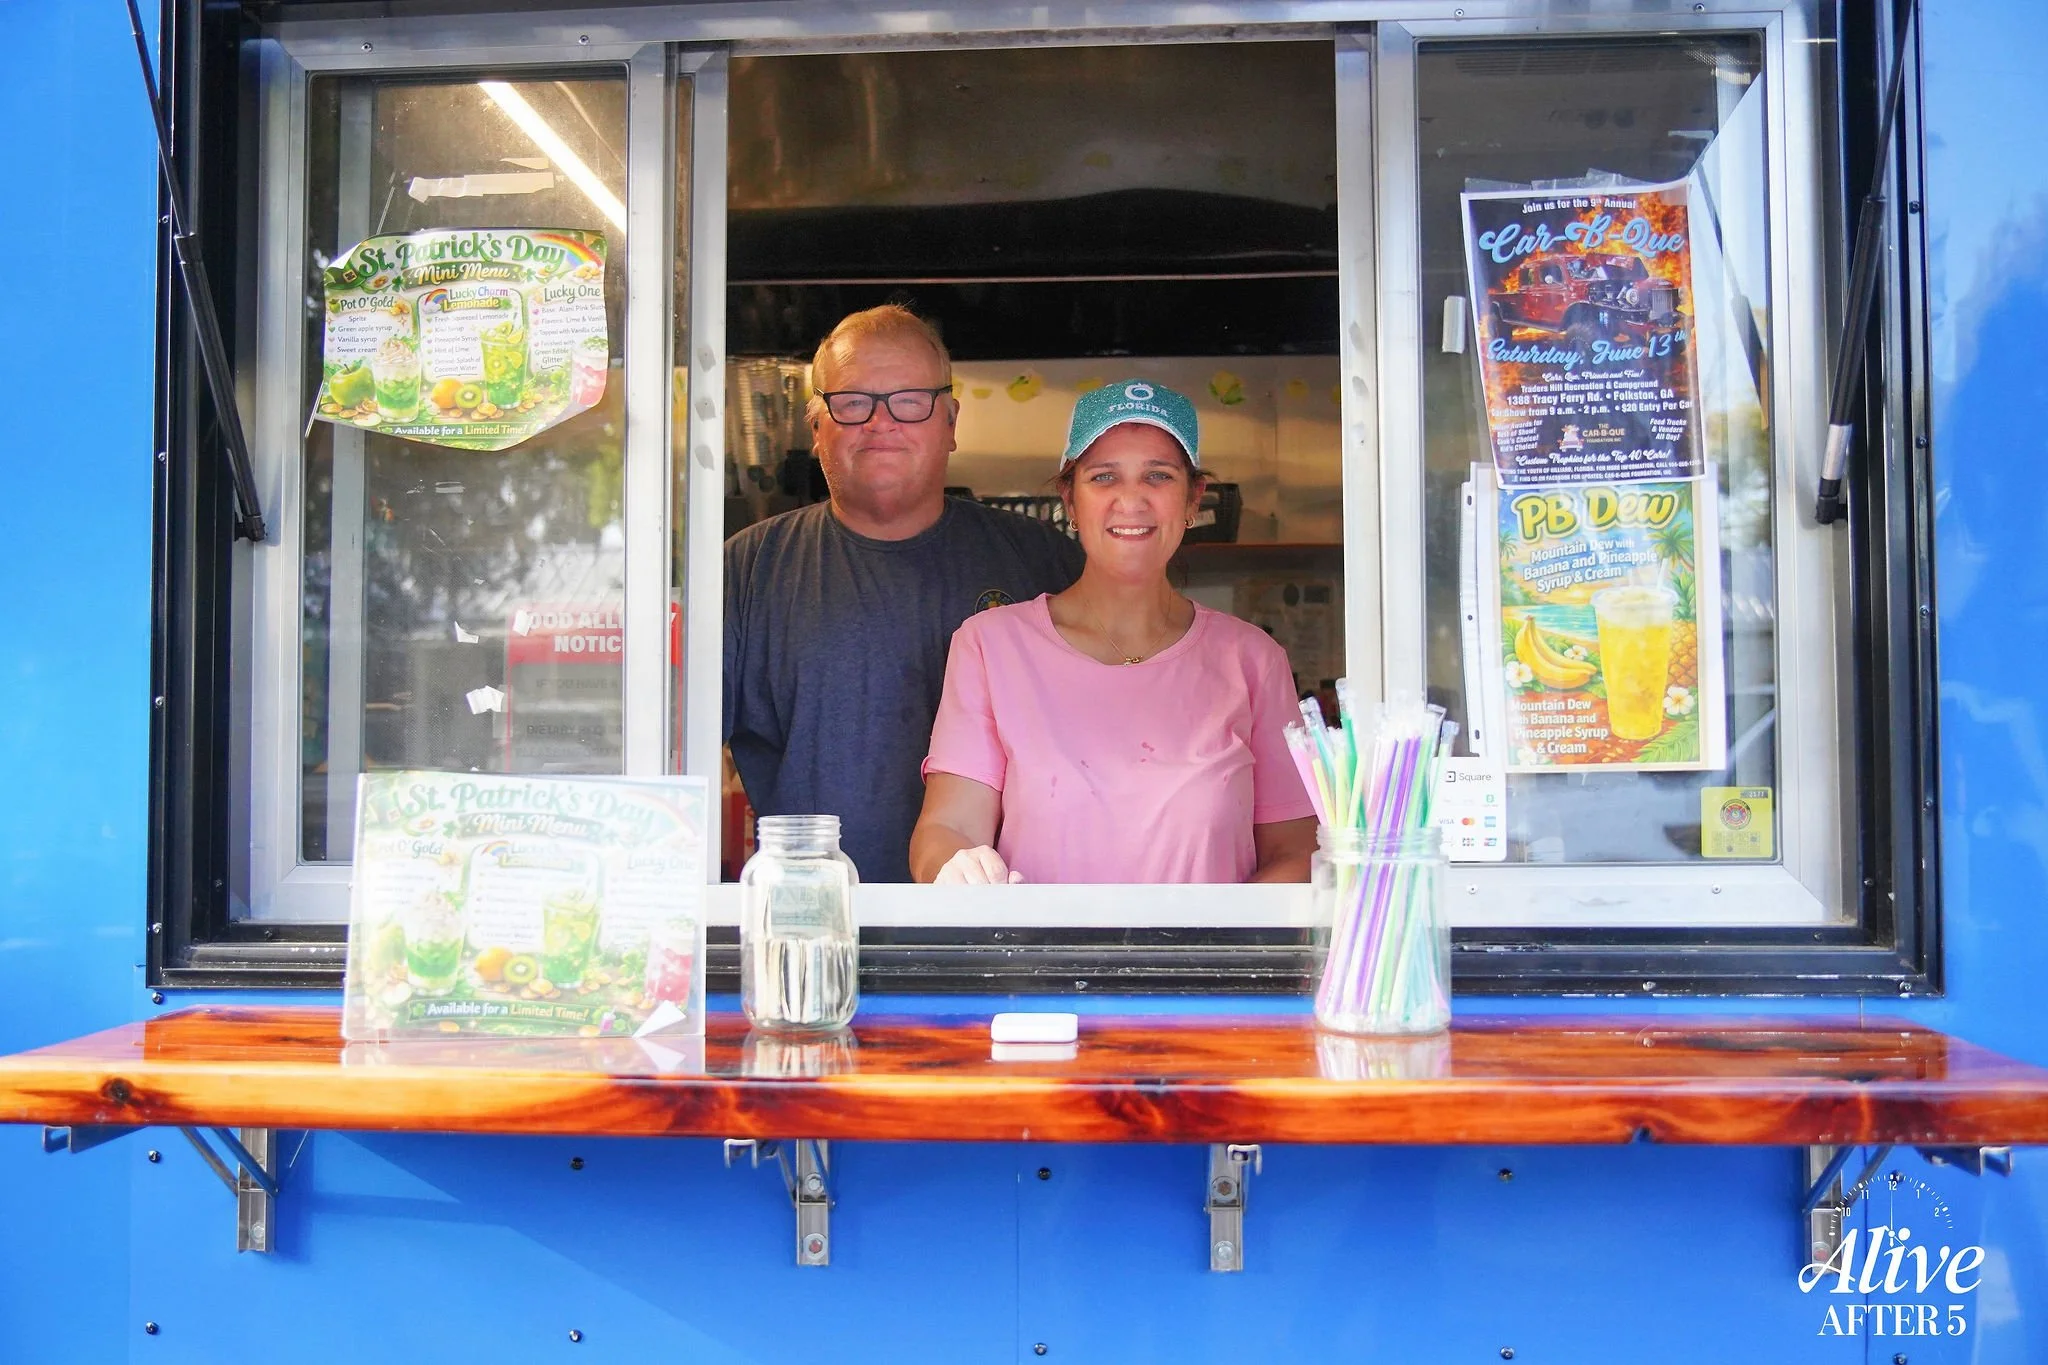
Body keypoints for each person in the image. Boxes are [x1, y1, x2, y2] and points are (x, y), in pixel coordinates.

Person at [723, 306, 1084, 882]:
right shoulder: (746, 570)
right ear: (816, 427)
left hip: (1006, 918)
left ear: (951, 422)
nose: (880, 422)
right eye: (852, 401)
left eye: (910, 400)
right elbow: (676, 758)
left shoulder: (1045, 563)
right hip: (818, 919)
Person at [910, 380, 1318, 885]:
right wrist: (958, 870)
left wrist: (1214, 950)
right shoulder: (991, 646)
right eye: (1104, 477)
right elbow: (948, 827)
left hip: (1207, 964)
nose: (1131, 500)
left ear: (1194, 500)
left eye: (1158, 476)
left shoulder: (1252, 660)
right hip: (1040, 963)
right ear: (1070, 500)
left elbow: (1297, 851)